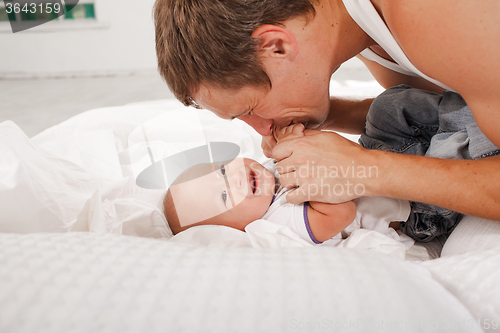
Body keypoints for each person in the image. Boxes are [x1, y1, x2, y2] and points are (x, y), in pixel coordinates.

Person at [154, 0, 500, 221]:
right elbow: (453, 111)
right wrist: (333, 115)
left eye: (250, 109)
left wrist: (366, 169)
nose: (261, 129)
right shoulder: (364, 31)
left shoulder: (431, 13)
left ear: (276, 45)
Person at [164, 125, 411, 246]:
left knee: (389, 108)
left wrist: (288, 140)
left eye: (222, 170)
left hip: (385, 157)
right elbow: (343, 212)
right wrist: (307, 173)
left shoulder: (264, 178)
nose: (235, 178)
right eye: (225, 196)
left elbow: (317, 152)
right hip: (413, 206)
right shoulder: (282, 219)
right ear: (237, 230)